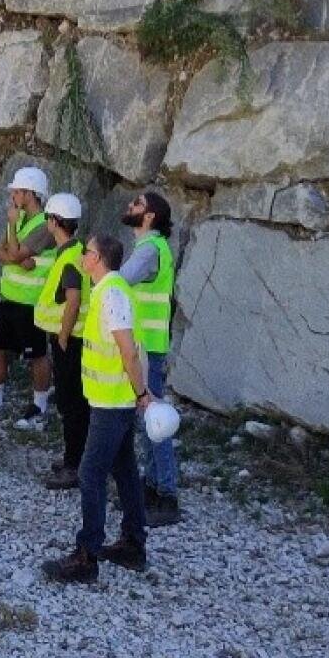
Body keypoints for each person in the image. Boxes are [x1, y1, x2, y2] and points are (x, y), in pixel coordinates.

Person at [43, 233, 152, 583]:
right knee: (125, 472)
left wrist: (142, 394)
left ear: (99, 259)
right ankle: (133, 544)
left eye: (87, 252)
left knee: (90, 474)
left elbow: (128, 351)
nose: (82, 257)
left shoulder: (112, 294)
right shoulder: (108, 290)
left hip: (113, 401)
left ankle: (87, 556)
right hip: (109, 399)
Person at [0, 166, 55, 427]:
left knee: (36, 356)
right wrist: (17, 256)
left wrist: (12, 238)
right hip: (8, 298)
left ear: (30, 194)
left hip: (30, 303)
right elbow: (1, 253)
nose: (13, 195)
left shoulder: (43, 225)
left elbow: (15, 254)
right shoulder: (20, 221)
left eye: (17, 191)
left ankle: (39, 406)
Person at [121, 192, 182, 526]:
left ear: (149, 217)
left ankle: (167, 495)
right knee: (146, 418)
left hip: (147, 347)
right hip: (146, 344)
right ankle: (153, 486)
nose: (131, 206)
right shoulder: (150, 247)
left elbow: (121, 279)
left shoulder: (148, 251)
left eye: (137, 204)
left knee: (154, 420)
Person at [37, 193, 89, 490]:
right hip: (74, 337)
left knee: (71, 404)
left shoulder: (69, 258)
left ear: (55, 222)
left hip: (70, 339)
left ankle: (73, 465)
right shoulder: (76, 251)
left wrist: (63, 335)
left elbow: (72, 300)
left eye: (48, 218)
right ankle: (76, 458)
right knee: (75, 403)